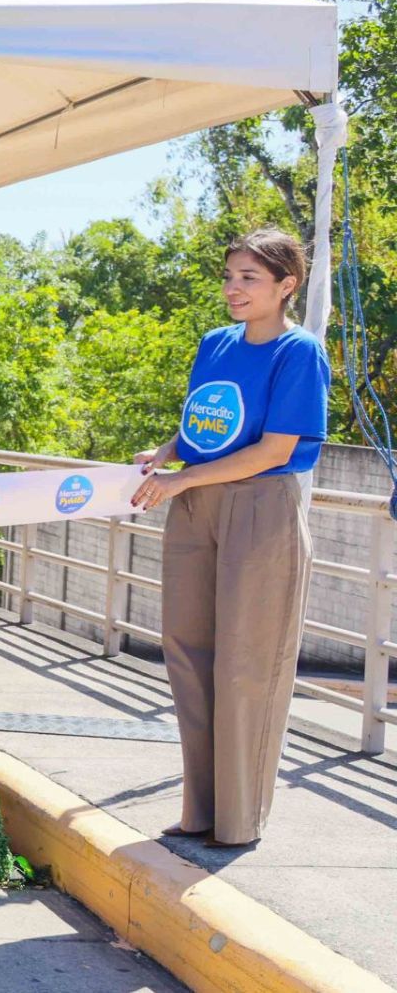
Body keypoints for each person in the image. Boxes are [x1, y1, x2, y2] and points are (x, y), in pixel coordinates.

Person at [132, 229, 331, 848]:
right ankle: (200, 811)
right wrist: (165, 453)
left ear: (286, 286)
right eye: (230, 276)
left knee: (247, 662)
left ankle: (238, 822)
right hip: (195, 503)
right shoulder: (215, 344)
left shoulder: (298, 353)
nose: (233, 288)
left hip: (259, 507)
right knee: (187, 653)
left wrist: (185, 476)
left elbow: (275, 449)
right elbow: (202, 421)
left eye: (250, 278)